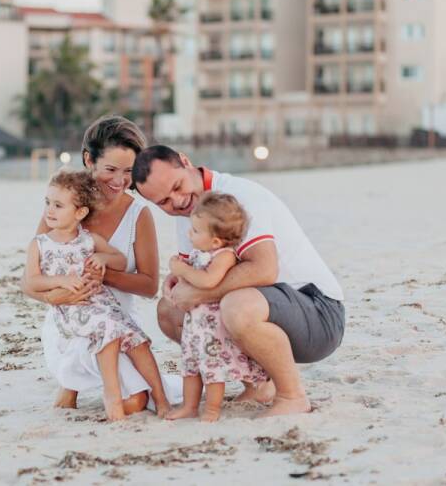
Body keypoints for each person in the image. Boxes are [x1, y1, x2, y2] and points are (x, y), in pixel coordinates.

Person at [132, 145, 345, 417]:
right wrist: (175, 284)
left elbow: (264, 269)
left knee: (235, 305)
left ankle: (292, 396)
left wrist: (199, 294)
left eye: (177, 186)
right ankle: (259, 385)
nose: (178, 201)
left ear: (186, 162)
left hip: (318, 312)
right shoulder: (189, 214)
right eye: (163, 202)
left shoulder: (238, 197)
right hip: (269, 308)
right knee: (169, 310)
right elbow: (196, 270)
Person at [20, 115, 180, 419]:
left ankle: (82, 384)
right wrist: (55, 296)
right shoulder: (62, 208)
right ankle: (71, 383)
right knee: (92, 347)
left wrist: (105, 274)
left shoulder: (138, 215)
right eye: (110, 169)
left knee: (136, 402)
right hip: (71, 318)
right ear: (88, 160)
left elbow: (149, 285)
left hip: (118, 319)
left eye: (128, 171)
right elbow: (28, 281)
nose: (119, 181)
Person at [165, 192, 269, 422]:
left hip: (213, 330)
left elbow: (208, 281)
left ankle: (212, 409)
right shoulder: (199, 253)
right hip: (194, 326)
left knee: (213, 371)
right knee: (190, 368)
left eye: (195, 231)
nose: (189, 234)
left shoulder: (224, 256)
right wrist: (178, 272)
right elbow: (189, 280)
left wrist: (183, 270)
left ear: (215, 241)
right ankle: (190, 406)